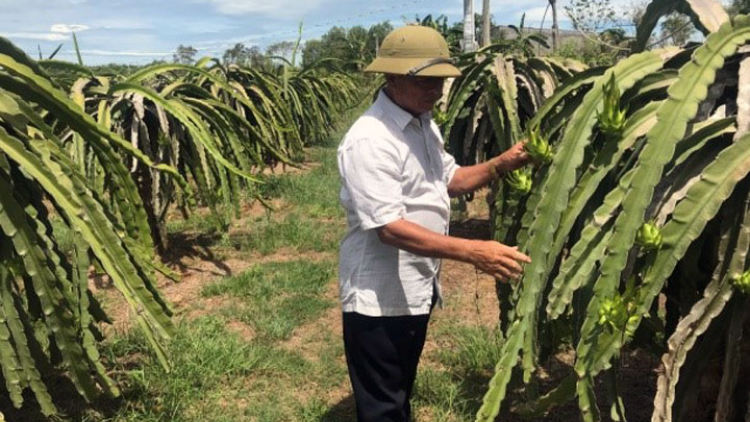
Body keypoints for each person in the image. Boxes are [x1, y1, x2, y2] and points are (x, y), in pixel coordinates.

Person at [337, 25, 531, 422]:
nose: (437, 89)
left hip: (415, 288)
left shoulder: (423, 124)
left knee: (399, 391)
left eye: (441, 79)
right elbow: (388, 227)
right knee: (383, 408)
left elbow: (450, 179)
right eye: (426, 80)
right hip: (378, 300)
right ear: (391, 77)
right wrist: (475, 251)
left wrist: (503, 163)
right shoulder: (371, 139)